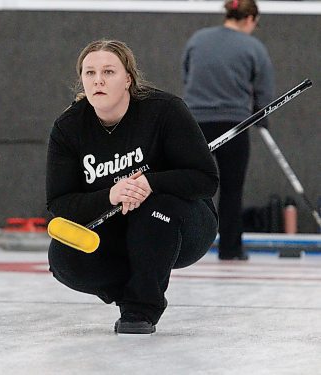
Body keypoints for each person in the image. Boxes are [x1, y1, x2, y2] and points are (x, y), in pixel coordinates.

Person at [46, 40, 219, 335]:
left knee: (154, 207)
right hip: (117, 230)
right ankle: (133, 288)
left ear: (128, 79)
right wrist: (110, 195)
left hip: (182, 226)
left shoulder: (165, 111)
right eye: (89, 73)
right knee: (63, 256)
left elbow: (205, 179)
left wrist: (152, 182)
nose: (98, 80)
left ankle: (142, 307)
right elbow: (59, 203)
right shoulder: (68, 128)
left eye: (108, 71)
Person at [182, 0, 274, 261]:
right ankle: (230, 249)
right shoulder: (253, 47)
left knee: (191, 184)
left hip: (195, 123)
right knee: (232, 189)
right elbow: (264, 89)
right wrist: (262, 114)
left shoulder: (198, 39)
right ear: (250, 19)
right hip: (234, 124)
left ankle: (182, 242)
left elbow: (187, 75)